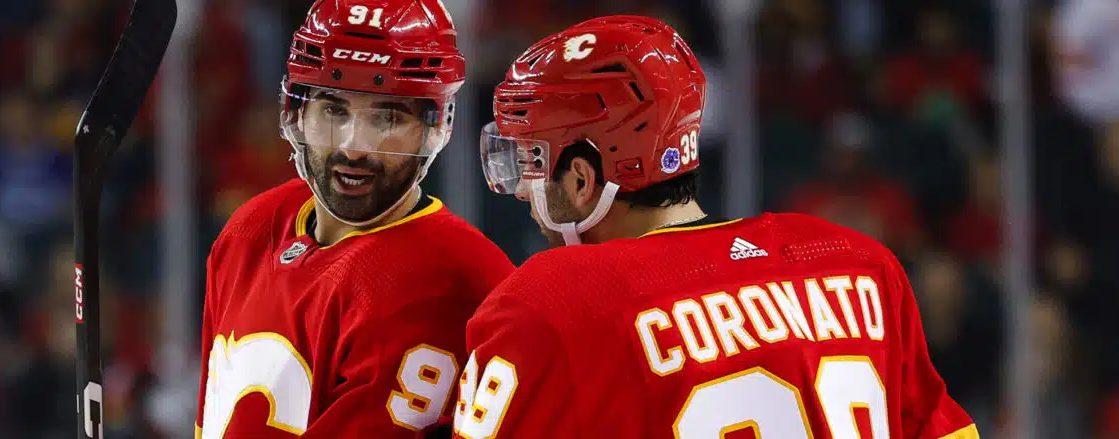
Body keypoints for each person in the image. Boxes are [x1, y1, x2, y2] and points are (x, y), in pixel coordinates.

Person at [453, 15, 978, 439]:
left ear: (584, 178)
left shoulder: (550, 302)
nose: (522, 188)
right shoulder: (860, 264)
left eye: (532, 162)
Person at [194, 1, 514, 438]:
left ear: (435, 125)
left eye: (387, 116)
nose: (354, 148)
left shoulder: (453, 279)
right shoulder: (252, 228)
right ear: (296, 112)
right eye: (333, 110)